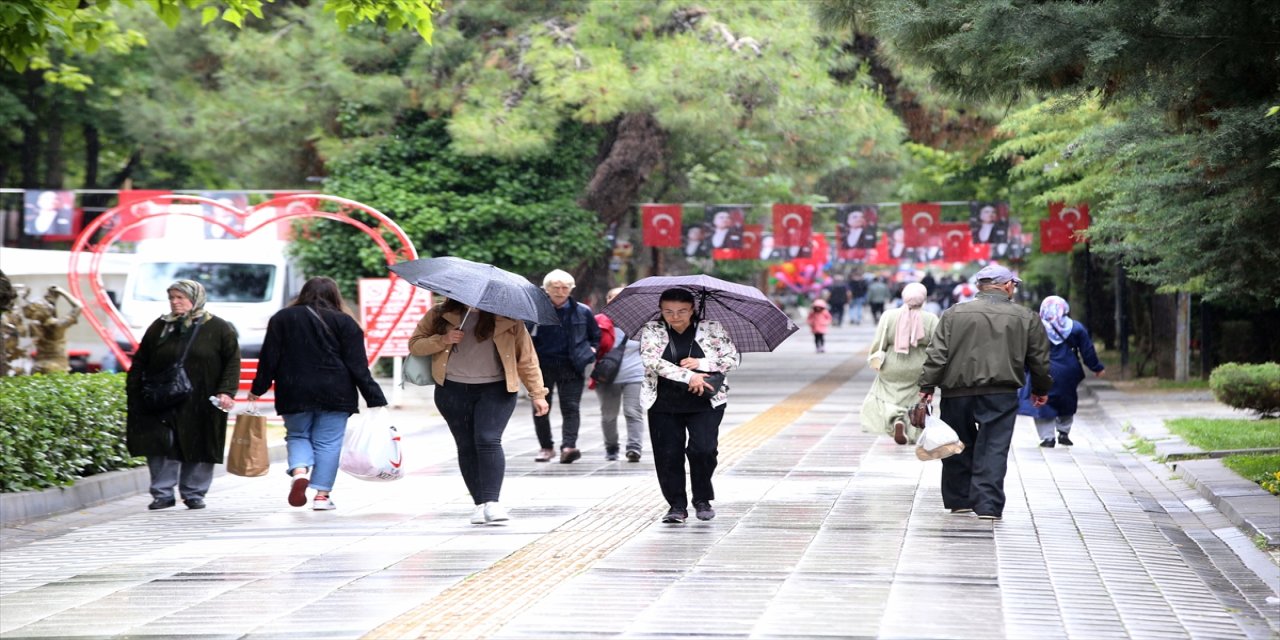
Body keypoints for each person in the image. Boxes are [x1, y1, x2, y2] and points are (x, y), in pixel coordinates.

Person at [918, 265, 1052, 521]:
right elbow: (1039, 359)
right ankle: (988, 504)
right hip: (1000, 392)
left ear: (980, 286)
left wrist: (927, 387)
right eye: (1014, 284)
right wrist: (1040, 388)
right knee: (993, 446)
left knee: (957, 443)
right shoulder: (1026, 317)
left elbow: (937, 354)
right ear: (1006, 286)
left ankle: (960, 500)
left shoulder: (954, 313)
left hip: (956, 391)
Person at [249, 277, 388, 511]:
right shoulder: (345, 322)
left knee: (297, 435)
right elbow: (357, 365)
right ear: (335, 295)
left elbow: (269, 358)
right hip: (336, 391)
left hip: (294, 389)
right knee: (329, 443)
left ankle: (300, 471)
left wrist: (257, 388)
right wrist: (374, 396)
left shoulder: (282, 318)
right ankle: (322, 496)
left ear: (303, 293)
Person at [410, 297, 550, 525]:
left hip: (497, 389)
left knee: (487, 439)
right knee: (466, 445)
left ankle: (492, 502)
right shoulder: (439, 313)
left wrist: (538, 393)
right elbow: (415, 345)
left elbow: (526, 359)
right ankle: (479, 504)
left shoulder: (509, 318)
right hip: (452, 390)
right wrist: (443, 339)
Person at [126, 280, 240, 511]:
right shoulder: (161, 326)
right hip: (162, 398)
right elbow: (141, 359)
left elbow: (232, 362)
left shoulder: (218, 327)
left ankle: (194, 493)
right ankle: (162, 493)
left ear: (195, 298)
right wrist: (134, 388)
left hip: (203, 398)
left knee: (200, 442)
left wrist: (226, 391)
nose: (175, 302)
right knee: (162, 443)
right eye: (172, 298)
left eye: (180, 297)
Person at [639, 288, 740, 524]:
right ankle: (676, 506)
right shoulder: (652, 329)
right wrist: (689, 376)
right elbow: (651, 360)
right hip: (663, 402)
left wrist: (701, 363)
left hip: (705, 401)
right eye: (668, 311)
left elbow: (732, 359)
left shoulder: (711, 327)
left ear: (692, 309)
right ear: (661, 310)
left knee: (704, 450)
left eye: (682, 311)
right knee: (668, 454)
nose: (675, 316)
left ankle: (702, 499)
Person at [530, 270, 601, 463]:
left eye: (565, 288)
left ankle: (568, 446)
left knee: (571, 407)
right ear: (546, 289)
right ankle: (546, 447)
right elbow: (524, 337)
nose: (560, 291)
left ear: (571, 289)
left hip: (572, 365)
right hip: (541, 366)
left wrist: (591, 351)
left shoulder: (582, 311)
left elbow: (595, 336)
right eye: (556, 287)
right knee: (541, 407)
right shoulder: (536, 311)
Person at [1018, 296, 1105, 447]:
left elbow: (1025, 350)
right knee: (1067, 398)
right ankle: (1064, 431)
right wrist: (1096, 367)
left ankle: (1048, 437)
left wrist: (1024, 369)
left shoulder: (1034, 328)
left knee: (1041, 400)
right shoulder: (1076, 328)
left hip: (1042, 368)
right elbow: (1088, 350)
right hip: (1068, 370)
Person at [861, 283, 939, 445]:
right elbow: (937, 346)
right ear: (923, 298)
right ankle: (911, 431)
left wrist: (874, 358)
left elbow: (879, 341)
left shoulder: (888, 316)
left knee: (887, 395)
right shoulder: (931, 318)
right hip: (919, 365)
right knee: (914, 398)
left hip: (892, 363)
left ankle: (896, 419)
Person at [593, 287, 646, 462]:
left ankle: (634, 448)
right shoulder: (597, 322)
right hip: (607, 376)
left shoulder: (642, 324)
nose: (617, 301)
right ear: (607, 300)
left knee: (633, 411)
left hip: (635, 375)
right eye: (612, 297)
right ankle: (611, 447)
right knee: (609, 415)